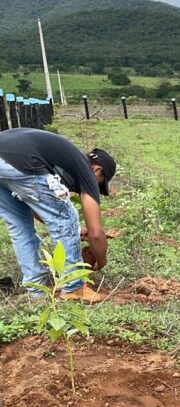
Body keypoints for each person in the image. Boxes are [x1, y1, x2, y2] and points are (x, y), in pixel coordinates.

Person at [0, 128, 117, 302]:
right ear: (97, 170)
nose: (96, 187)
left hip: (7, 159)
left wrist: (75, 230)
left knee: (20, 227)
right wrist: (101, 261)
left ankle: (35, 289)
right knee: (67, 217)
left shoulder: (64, 157)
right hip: (20, 162)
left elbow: (37, 207)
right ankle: (74, 287)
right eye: (100, 184)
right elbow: (95, 233)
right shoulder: (86, 171)